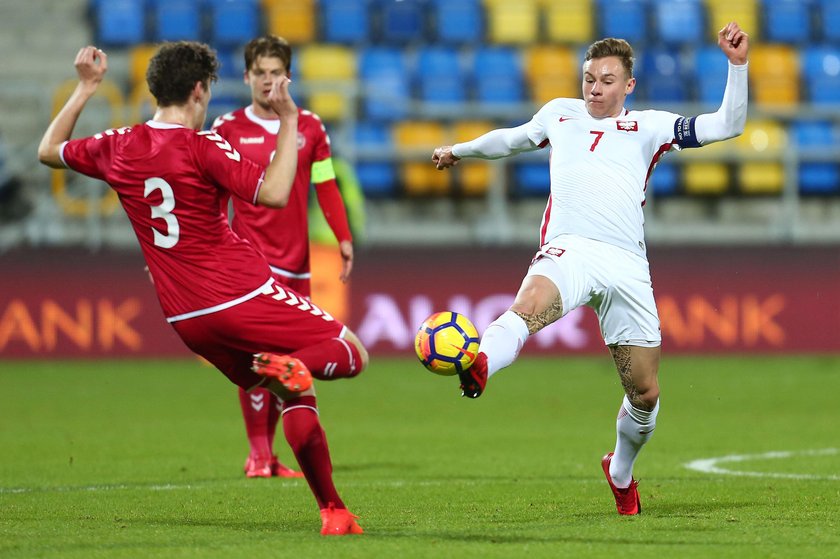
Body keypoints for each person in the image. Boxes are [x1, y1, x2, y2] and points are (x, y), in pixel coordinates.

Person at [37, 41, 367, 536]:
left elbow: (48, 151)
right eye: (209, 88)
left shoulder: (117, 145)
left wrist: (86, 87)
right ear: (198, 89)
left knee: (289, 388)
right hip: (240, 293)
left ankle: (334, 513)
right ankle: (298, 372)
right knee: (350, 351)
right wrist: (290, 118)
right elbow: (275, 194)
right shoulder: (204, 145)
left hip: (186, 320)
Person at [431, 23, 749, 516]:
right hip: (570, 249)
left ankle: (620, 470)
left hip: (626, 264)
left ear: (628, 85)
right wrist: (459, 150)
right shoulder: (559, 114)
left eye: (605, 80)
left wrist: (737, 65)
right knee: (528, 304)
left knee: (644, 392)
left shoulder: (650, 126)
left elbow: (726, 125)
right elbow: (510, 140)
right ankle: (482, 363)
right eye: (588, 79)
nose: (594, 89)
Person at [210, 35, 357, 480]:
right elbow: (212, 193)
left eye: (276, 73)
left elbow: (326, 184)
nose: (269, 81)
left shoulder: (310, 127)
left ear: (288, 76)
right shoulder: (227, 128)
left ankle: (268, 456)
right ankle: (259, 453)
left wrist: (343, 236)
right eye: (261, 73)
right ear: (247, 77)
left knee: (287, 361)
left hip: (298, 263)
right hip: (248, 261)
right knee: (261, 356)